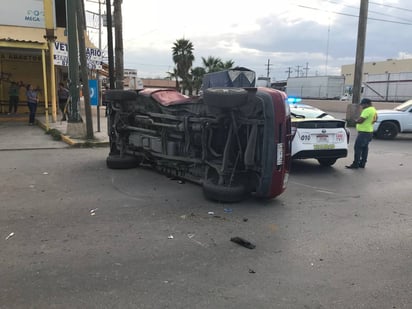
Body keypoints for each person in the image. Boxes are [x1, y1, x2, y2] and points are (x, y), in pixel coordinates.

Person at [346, 98, 377, 169]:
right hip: (369, 131)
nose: (362, 106)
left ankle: (355, 164)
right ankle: (362, 163)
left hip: (364, 132)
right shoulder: (374, 110)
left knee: (357, 148)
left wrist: (355, 120)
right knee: (365, 148)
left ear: (367, 104)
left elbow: (360, 120)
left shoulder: (367, 110)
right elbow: (374, 120)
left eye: (363, 104)